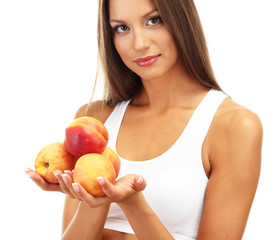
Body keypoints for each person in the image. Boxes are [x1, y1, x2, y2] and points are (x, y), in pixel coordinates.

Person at [25, 0, 263, 239]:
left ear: (182, 20)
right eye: (122, 28)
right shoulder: (94, 119)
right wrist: (94, 198)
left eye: (154, 20)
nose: (139, 44)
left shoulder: (234, 125)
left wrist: (133, 202)